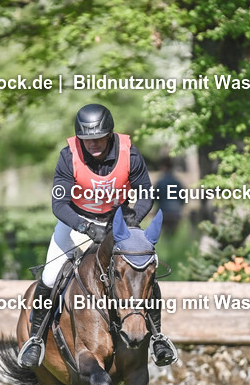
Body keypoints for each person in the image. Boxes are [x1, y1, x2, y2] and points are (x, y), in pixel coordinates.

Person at [18, 103, 177, 368]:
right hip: (78, 223)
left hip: (119, 224)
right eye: (87, 139)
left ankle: (158, 337)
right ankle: (35, 339)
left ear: (110, 134)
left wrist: (130, 222)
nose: (92, 144)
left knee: (145, 269)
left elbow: (146, 193)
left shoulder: (130, 154)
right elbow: (59, 205)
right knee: (49, 275)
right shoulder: (68, 156)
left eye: (98, 138)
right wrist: (87, 228)